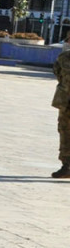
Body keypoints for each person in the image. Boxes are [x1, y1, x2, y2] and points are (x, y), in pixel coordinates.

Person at [53, 36, 70, 178]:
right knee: (64, 131)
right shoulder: (63, 57)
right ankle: (66, 166)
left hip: (66, 100)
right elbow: (58, 74)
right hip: (65, 103)